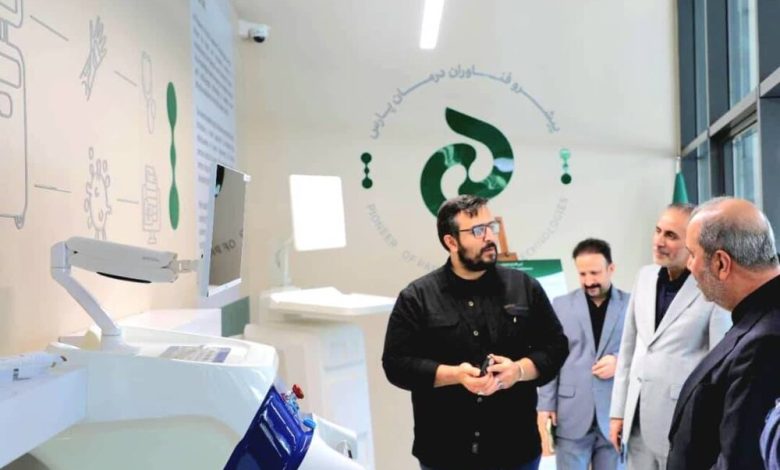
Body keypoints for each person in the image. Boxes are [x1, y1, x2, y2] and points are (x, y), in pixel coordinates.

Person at [382, 195, 569, 470]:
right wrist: (455, 375)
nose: (490, 237)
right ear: (451, 242)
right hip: (445, 453)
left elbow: (556, 346)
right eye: (478, 230)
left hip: (515, 449)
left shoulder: (524, 287)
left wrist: (518, 370)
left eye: (491, 227)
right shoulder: (417, 297)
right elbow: (396, 364)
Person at [609, 203, 731, 469]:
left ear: (693, 243)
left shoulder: (711, 288)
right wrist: (618, 412)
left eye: (671, 235)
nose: (659, 241)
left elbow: (719, 368)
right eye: (658, 231)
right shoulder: (644, 277)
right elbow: (628, 351)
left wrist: (713, 430)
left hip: (682, 422)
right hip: (636, 420)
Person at [667, 197, 780, 470]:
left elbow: (741, 461)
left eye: (692, 254)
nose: (689, 265)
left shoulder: (764, 343)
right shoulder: (760, 317)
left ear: (721, 263)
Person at [538, 238, 629, 470]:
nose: (589, 281)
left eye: (595, 273)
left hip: (615, 416)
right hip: (571, 415)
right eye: (582, 274)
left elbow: (643, 351)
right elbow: (550, 357)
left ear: (611, 268)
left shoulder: (632, 305)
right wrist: (545, 405)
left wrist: (619, 362)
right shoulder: (560, 305)